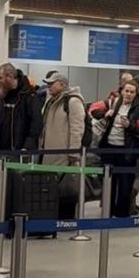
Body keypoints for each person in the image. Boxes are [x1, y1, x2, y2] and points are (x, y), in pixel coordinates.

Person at [97, 77, 139, 216]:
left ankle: (122, 213)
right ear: (122, 91)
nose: (129, 94)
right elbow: (93, 110)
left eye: (132, 92)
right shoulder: (114, 103)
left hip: (127, 151)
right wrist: (105, 114)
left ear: (136, 94)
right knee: (109, 182)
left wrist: (130, 126)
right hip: (109, 147)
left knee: (125, 183)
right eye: (126, 91)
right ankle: (108, 210)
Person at [39, 71, 88, 218]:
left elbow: (77, 128)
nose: (48, 87)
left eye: (51, 83)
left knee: (66, 190)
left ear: (62, 84)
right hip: (49, 153)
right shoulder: (52, 100)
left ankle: (66, 220)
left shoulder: (73, 101)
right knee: (52, 188)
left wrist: (73, 153)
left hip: (64, 156)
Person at [0, 63, 41, 155]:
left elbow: (36, 122)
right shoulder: (1, 94)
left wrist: (27, 146)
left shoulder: (29, 95)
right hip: (0, 150)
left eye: (0, 78)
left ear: (10, 77)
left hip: (20, 150)